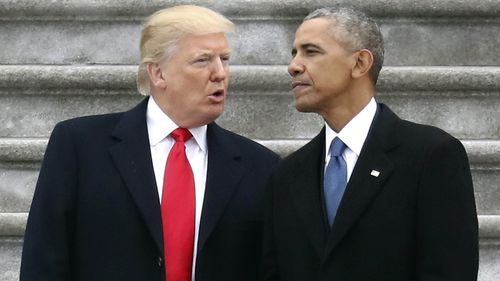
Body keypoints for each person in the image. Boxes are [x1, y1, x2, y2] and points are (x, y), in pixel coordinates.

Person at [20, 5, 280, 281]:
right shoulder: (79, 146)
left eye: (225, 59)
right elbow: (44, 260)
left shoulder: (261, 166)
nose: (220, 73)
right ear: (158, 73)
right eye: (203, 60)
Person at [262, 7, 478, 281]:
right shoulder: (286, 174)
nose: (293, 66)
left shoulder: (431, 155)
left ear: (360, 63)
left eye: (311, 51)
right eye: (294, 53)